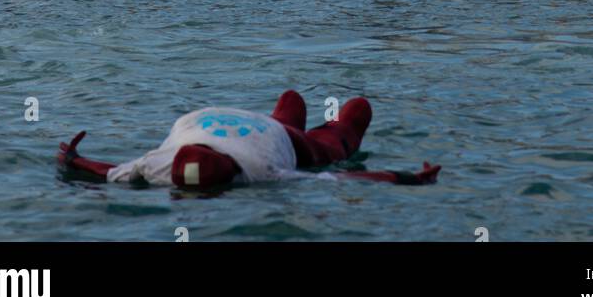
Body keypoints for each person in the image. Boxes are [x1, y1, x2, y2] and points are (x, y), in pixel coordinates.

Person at [58, 90, 440, 189]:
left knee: (351, 122)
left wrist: (408, 178)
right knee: (291, 101)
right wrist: (74, 159)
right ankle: (305, 109)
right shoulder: (162, 163)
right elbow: (109, 171)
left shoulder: (259, 171)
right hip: (249, 123)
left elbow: (342, 177)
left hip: (283, 141)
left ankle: (338, 123)